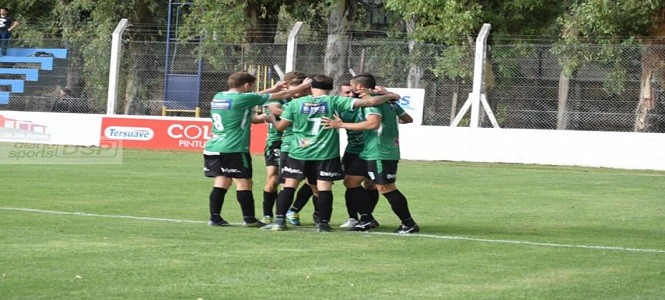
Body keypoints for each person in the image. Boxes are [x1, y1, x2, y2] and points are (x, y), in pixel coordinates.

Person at [262, 74, 401, 232]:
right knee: (324, 188)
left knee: (289, 186)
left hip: (299, 152)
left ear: (311, 88)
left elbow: (281, 127)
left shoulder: (296, 103)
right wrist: (390, 95)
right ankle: (323, 223)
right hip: (325, 152)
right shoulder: (335, 101)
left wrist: (272, 120)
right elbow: (372, 101)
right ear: (331, 88)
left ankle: (279, 221)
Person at [204, 71, 310, 227]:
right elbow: (281, 95)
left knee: (221, 181)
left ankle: (214, 218)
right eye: (252, 86)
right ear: (247, 85)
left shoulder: (219, 96)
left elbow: (251, 98)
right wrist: (303, 86)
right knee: (244, 183)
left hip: (213, 146)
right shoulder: (243, 98)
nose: (252, 89)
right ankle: (249, 219)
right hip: (233, 148)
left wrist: (272, 89)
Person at [322, 78, 419, 234]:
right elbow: (407, 119)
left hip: (380, 151)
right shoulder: (390, 102)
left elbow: (373, 124)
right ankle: (367, 218)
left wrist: (341, 125)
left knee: (384, 187)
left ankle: (409, 223)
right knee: (350, 181)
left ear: (359, 86)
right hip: (368, 151)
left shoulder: (371, 102)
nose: (351, 89)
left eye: (352, 86)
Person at [260, 71, 317, 225]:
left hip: (301, 142)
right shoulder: (279, 98)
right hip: (277, 141)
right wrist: (299, 113)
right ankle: (268, 215)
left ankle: (293, 210)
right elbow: (275, 110)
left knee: (312, 180)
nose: (297, 92)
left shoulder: (310, 99)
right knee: (273, 177)